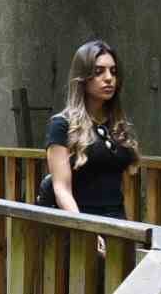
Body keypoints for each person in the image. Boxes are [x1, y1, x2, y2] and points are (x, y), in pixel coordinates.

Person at [41, 39, 139, 218]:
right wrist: (84, 227)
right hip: (81, 223)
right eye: (99, 71)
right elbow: (61, 189)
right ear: (83, 77)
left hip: (118, 223)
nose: (109, 78)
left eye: (113, 71)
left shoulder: (117, 126)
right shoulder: (62, 125)